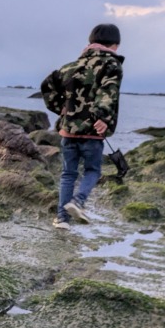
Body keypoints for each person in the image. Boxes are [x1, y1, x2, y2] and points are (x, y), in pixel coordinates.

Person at [41, 23, 124, 230]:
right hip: (93, 131)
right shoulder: (111, 65)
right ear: (115, 45)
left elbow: (47, 86)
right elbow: (108, 91)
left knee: (68, 174)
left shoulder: (71, 66)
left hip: (69, 130)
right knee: (92, 171)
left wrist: (61, 108)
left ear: (91, 42)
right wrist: (102, 117)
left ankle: (62, 219)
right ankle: (78, 202)